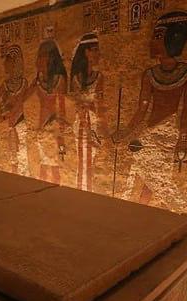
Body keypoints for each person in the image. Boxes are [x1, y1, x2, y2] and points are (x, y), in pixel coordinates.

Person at [113, 11, 187, 208]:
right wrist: (126, 131)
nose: (152, 41)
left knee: (154, 179)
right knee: (144, 178)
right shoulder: (150, 74)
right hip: (148, 133)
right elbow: (142, 108)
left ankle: (181, 209)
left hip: (167, 132)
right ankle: (138, 213)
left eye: (158, 36)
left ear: (173, 38)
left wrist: (182, 139)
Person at [70, 32, 108, 191]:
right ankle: (83, 190)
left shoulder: (99, 77)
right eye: (95, 50)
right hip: (81, 123)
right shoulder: (76, 78)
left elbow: (100, 105)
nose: (99, 53)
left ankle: (87, 190)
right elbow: (73, 102)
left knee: (90, 161)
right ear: (86, 52)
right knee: (83, 160)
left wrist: (101, 126)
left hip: (92, 124)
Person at [29, 35, 68, 184]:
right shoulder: (38, 81)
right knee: (44, 167)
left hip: (55, 128)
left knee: (55, 168)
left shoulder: (59, 80)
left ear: (51, 59)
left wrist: (60, 136)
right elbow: (23, 97)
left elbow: (62, 108)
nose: (38, 60)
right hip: (42, 128)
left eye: (42, 56)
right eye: (38, 56)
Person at [0, 45, 31, 176]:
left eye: (7, 62)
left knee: (22, 154)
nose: (4, 65)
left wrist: (4, 115)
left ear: (15, 64)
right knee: (12, 155)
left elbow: (20, 105)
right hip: (11, 124)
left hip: (20, 122)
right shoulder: (5, 84)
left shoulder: (23, 83)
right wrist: (2, 108)